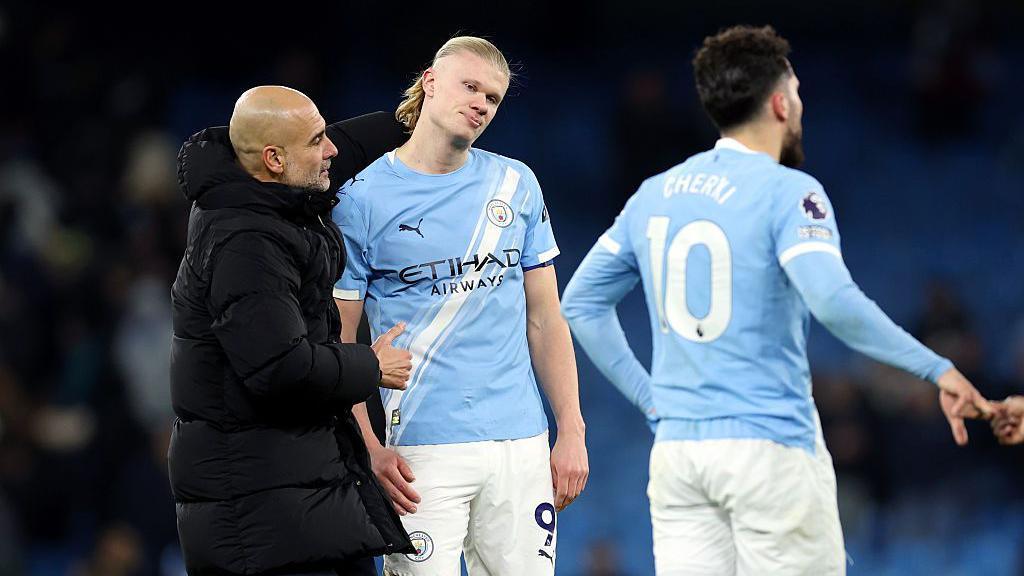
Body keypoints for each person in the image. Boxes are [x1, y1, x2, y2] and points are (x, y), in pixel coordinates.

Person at [560, 26, 992, 575]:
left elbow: (581, 303)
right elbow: (832, 301)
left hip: (680, 458)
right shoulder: (791, 191)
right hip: (767, 446)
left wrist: (651, 399)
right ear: (780, 102)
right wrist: (936, 368)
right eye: (798, 93)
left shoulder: (655, 194)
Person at [332, 37, 588, 575]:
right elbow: (339, 341)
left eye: (492, 99)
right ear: (429, 81)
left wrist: (572, 430)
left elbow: (545, 318)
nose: (480, 104)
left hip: (520, 443)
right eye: (470, 87)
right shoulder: (360, 199)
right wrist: (369, 446)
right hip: (419, 451)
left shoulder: (516, 184)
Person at [168, 85, 416, 576]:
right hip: (263, 526)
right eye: (317, 140)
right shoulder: (246, 243)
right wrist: (373, 365)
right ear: (274, 159)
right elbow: (280, 368)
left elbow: (346, 144)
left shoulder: (263, 188)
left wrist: (422, 112)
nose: (333, 151)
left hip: (295, 501)